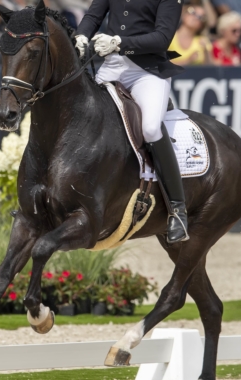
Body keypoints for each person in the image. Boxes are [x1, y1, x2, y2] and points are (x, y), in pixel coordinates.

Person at [75, 0, 189, 242]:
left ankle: (177, 210)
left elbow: (162, 37)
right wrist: (81, 36)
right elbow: (93, 17)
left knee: (149, 128)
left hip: (146, 71)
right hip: (111, 67)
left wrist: (119, 42)